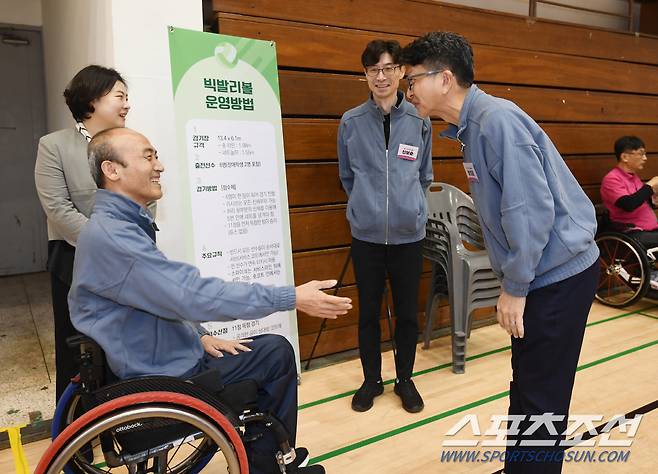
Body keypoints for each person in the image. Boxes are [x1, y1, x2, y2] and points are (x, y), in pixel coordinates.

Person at [69, 127, 352, 474]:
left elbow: (162, 297)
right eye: (148, 156)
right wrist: (290, 296)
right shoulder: (116, 238)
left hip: (156, 358)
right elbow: (191, 294)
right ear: (112, 170)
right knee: (275, 356)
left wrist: (199, 335)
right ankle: (268, 466)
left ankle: (266, 461)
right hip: (163, 377)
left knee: (270, 350)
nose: (159, 166)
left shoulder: (115, 226)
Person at [400, 32, 599, 473]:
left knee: (541, 396)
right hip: (546, 272)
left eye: (412, 80)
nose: (407, 91)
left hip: (557, 276)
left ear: (445, 79)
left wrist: (515, 286)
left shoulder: (496, 122)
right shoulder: (475, 127)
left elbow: (529, 213)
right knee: (528, 387)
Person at [338, 39, 433, 414]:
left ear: (400, 73)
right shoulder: (351, 122)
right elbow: (348, 176)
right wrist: (366, 206)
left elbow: (424, 175)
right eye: (373, 69)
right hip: (367, 238)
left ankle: (405, 379)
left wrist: (409, 208)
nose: (381, 76)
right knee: (368, 313)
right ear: (365, 75)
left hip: (410, 236)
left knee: (408, 313)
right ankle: (371, 380)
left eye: (389, 68)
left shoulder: (418, 119)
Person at [34, 65, 130, 401]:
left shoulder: (129, 145)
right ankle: (76, 442)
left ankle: (124, 428)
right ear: (92, 99)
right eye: (119, 95)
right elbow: (58, 209)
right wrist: (105, 242)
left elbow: (146, 197)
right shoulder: (54, 146)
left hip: (125, 261)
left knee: (123, 347)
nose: (127, 104)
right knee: (78, 352)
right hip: (75, 260)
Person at [600, 136, 658, 248]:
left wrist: (653, 199)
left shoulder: (633, 177)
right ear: (625, 157)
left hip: (650, 228)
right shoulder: (612, 179)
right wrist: (650, 186)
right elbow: (628, 204)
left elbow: (639, 201)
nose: (645, 158)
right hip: (632, 232)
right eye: (641, 153)